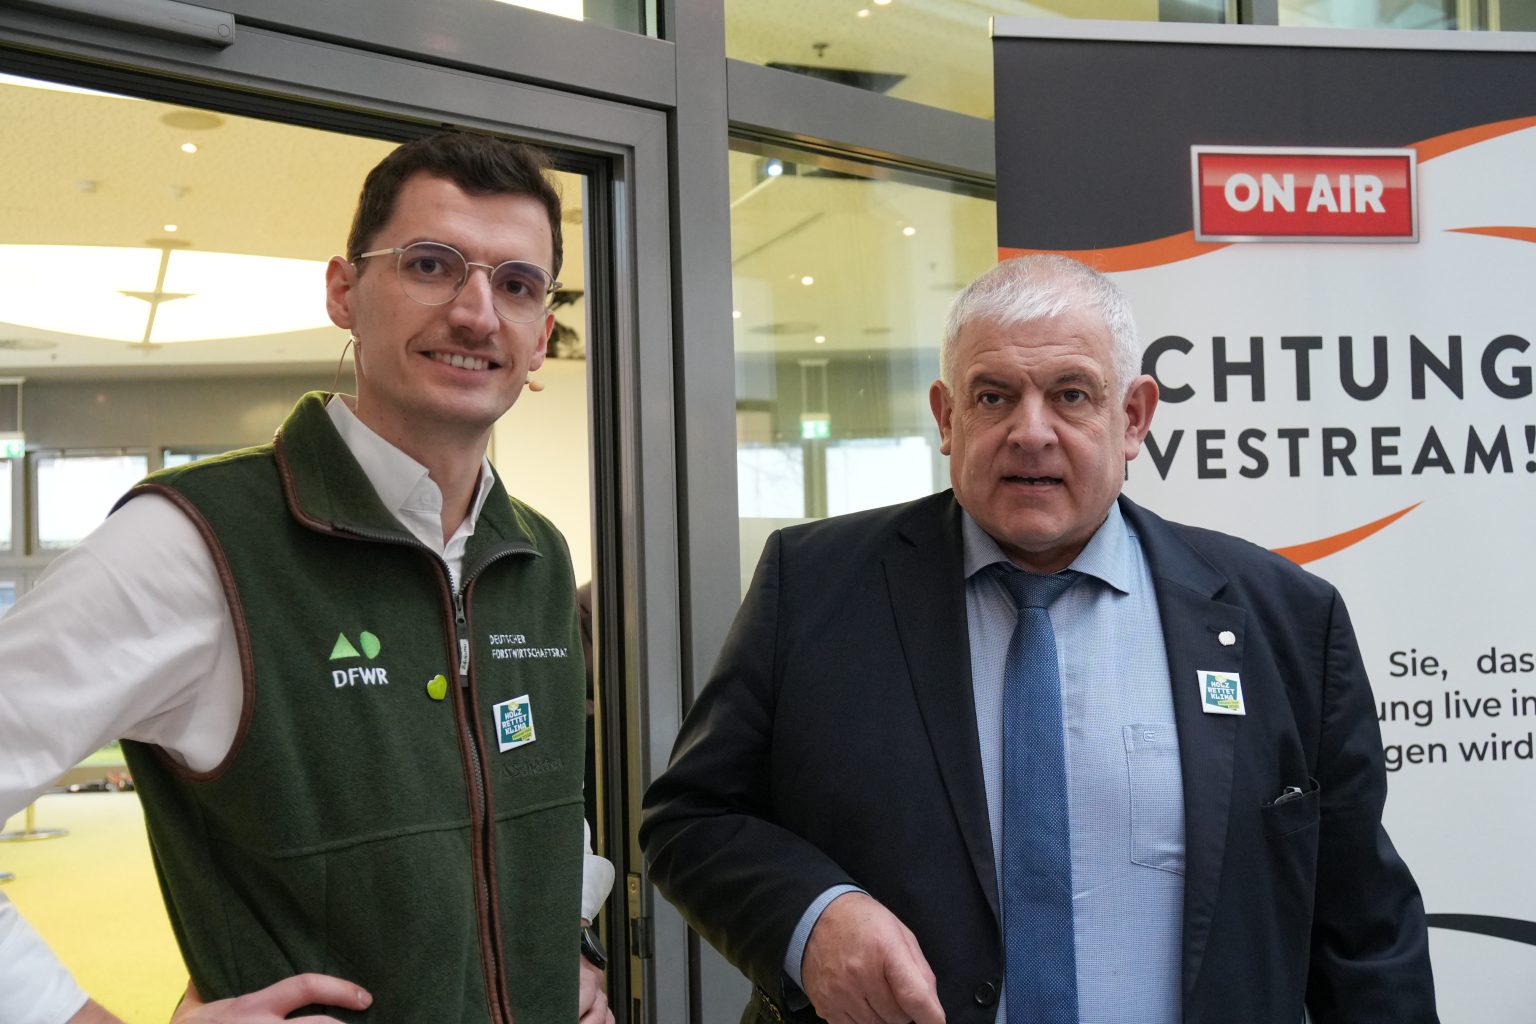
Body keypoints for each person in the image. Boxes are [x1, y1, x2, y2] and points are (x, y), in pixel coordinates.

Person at [640, 254, 1438, 1024]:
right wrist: (813, 919)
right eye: (993, 396)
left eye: (1071, 394)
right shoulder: (813, 584)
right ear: (947, 419)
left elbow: (1365, 933)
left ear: (1133, 418)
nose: (1031, 431)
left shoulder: (1285, 617)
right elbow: (693, 817)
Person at [0, 132, 614, 1024]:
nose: (478, 314)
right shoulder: (197, 542)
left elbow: (538, 810)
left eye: (517, 285)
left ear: (541, 336)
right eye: (432, 265)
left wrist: (571, 943)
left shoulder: (537, 556)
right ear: (343, 292)